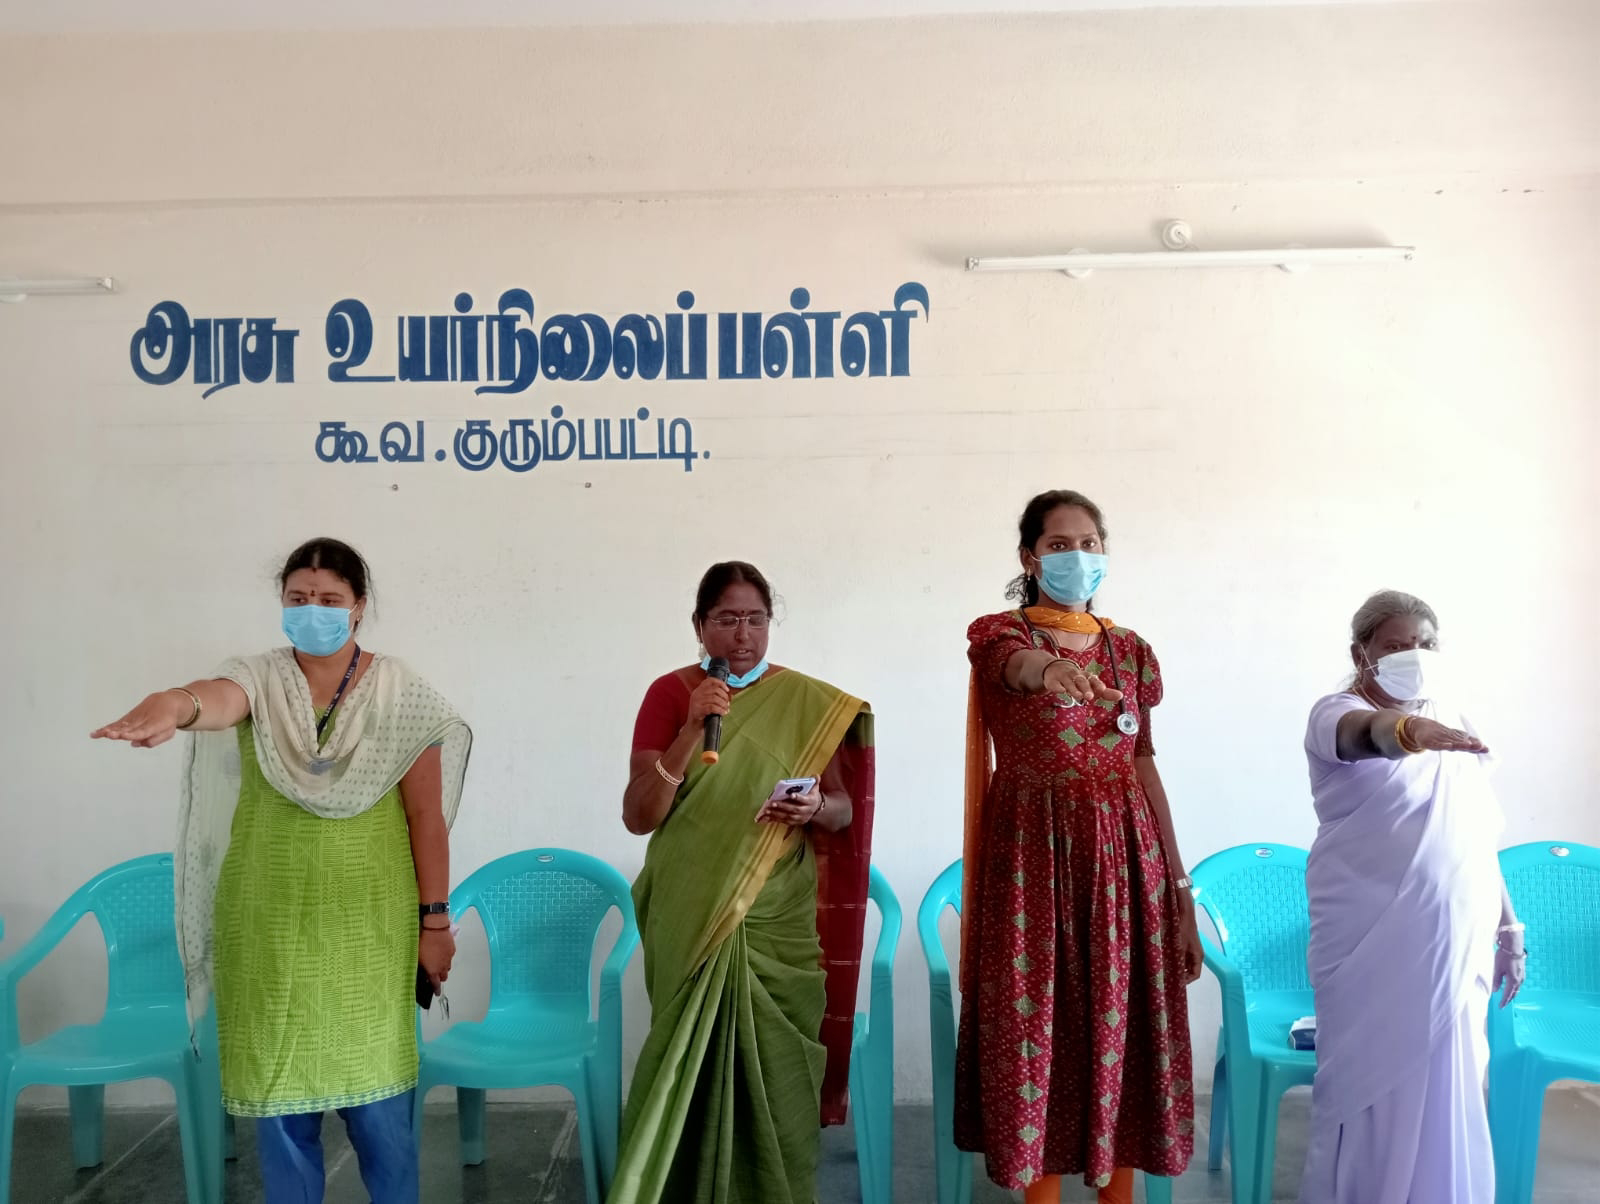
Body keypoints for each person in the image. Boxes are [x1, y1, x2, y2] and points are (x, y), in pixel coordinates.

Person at [90, 537, 471, 1204]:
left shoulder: (398, 691)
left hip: (366, 929)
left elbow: (425, 819)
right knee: (279, 1104)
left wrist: (434, 922)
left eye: (328, 599)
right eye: (298, 598)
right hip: (265, 925)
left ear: (358, 607)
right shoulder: (258, 677)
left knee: (380, 1111)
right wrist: (173, 703)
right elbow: (216, 699)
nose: (312, 610)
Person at [956, 490, 1200, 1204]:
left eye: (1090, 543)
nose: (1078, 556)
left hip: (1127, 860)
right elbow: (1014, 666)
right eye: (1059, 545)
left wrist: (1178, 887)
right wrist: (1050, 670)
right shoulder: (1001, 635)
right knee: (1038, 1028)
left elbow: (1143, 764)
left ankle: (1117, 1195)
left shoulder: (1131, 652)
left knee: (1120, 1025)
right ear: (1029, 558)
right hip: (1031, 862)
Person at [609, 561, 875, 1204]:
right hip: (691, 905)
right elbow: (639, 814)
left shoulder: (808, 703)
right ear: (700, 625)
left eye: (756, 618)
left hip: (776, 909)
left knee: (776, 1068)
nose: (742, 634)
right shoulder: (670, 694)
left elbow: (843, 810)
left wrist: (815, 807)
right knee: (686, 1056)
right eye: (727, 619)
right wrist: (690, 730)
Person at [1299, 590, 1524, 1204]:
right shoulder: (1334, 711)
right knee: (1368, 1081)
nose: (1414, 655)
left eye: (1425, 643)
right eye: (1396, 645)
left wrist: (1509, 929)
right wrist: (1407, 731)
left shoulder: (1453, 718)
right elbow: (1365, 735)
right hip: (1368, 939)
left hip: (1459, 938)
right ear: (1361, 653)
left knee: (1453, 1076)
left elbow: (1475, 836)